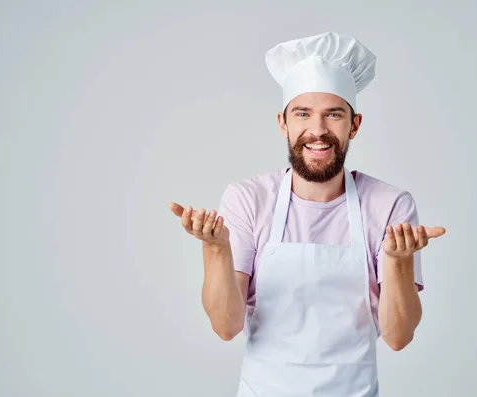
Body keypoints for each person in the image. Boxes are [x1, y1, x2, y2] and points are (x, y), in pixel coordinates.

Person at [169, 31, 446, 397]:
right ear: (283, 123)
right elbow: (226, 326)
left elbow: (397, 337)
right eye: (303, 114)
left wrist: (397, 262)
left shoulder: (389, 204)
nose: (317, 131)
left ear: (355, 125)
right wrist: (216, 250)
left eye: (334, 114)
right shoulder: (248, 199)